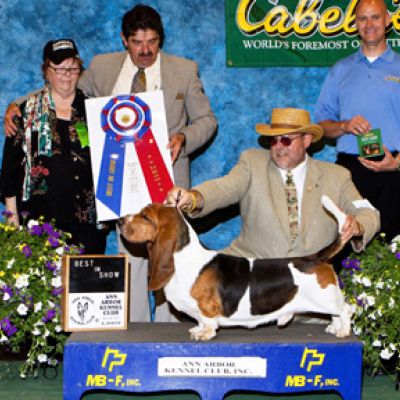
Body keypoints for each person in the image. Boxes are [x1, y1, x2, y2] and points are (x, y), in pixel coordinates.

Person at [3, 5, 217, 322]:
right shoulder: (103, 67)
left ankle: (171, 334)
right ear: (124, 40)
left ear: (161, 39)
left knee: (171, 263)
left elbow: (207, 120)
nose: (145, 50)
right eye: (137, 42)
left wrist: (184, 138)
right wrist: (17, 105)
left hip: (166, 185)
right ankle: (135, 333)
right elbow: (63, 84)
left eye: (152, 41)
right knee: (130, 264)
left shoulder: (184, 70)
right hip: (119, 186)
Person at [167, 108, 380, 261]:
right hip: (253, 279)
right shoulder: (252, 163)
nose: (278, 147)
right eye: (273, 140)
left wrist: (359, 226)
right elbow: (223, 188)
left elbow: (368, 212)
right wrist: (192, 197)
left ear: (306, 140)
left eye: (286, 140)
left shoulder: (337, 176)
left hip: (311, 285)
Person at [0, 39, 108, 254]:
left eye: (72, 68)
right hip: (39, 222)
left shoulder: (97, 110)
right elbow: (9, 169)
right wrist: (12, 219)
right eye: (59, 68)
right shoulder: (25, 112)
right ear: (46, 71)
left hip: (87, 222)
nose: (66, 74)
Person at [315, 0, 400, 241]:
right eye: (363, 18)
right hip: (349, 173)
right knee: (348, 242)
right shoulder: (340, 69)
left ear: (387, 20)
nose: (369, 24)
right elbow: (321, 126)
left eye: (375, 17)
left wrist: (397, 163)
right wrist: (343, 125)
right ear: (355, 24)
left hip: (394, 170)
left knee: (394, 246)